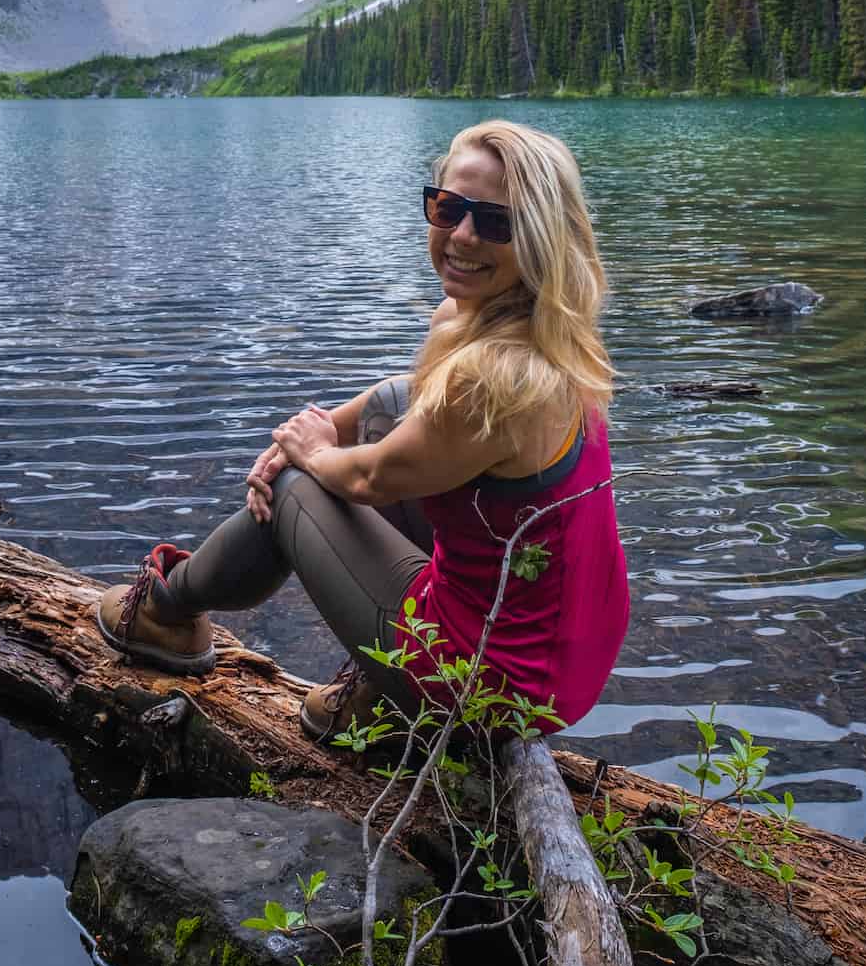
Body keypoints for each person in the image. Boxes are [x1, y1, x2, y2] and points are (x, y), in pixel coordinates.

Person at [96, 120, 629, 741]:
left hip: (493, 689)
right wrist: (327, 425)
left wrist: (304, 450)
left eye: (494, 222)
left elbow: (372, 476)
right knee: (371, 426)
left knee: (299, 485)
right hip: (566, 658)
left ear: (541, 236)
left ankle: (167, 614)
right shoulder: (541, 330)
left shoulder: (493, 375)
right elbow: (405, 402)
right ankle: (380, 703)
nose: (461, 235)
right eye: (448, 207)